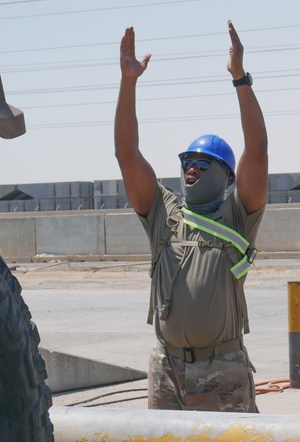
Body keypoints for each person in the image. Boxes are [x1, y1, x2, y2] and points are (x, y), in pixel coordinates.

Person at [114, 21, 269, 412]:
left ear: (225, 175)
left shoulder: (238, 214)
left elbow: (258, 151)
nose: (191, 170)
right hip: (166, 368)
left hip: (223, 370)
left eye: (203, 164)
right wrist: (128, 82)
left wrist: (240, 79)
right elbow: (127, 155)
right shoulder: (162, 210)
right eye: (187, 162)